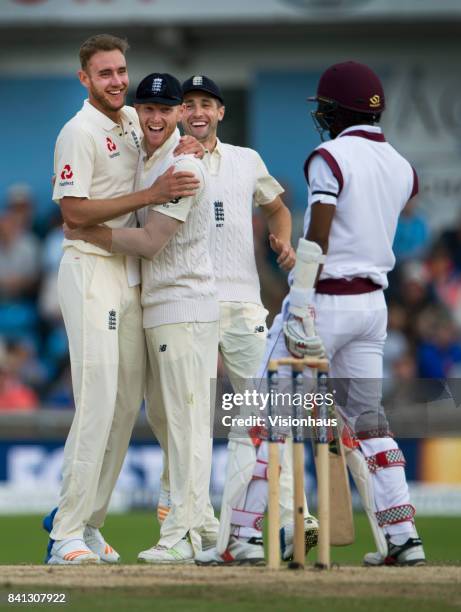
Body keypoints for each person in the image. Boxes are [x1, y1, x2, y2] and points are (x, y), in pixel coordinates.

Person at [44, 34, 202, 565]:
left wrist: (192, 145)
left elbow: (164, 138)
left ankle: (87, 523)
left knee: (121, 408)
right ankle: (63, 532)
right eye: (104, 73)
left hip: (130, 274)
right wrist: (151, 196)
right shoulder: (78, 131)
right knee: (96, 401)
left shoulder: (133, 122)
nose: (116, 81)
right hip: (90, 269)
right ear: (84, 78)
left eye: (120, 71)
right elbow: (73, 213)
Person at [157, 75, 319, 566]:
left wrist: (283, 240)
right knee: (191, 422)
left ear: (221, 112)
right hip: (190, 305)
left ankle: (294, 521)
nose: (197, 111)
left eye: (206, 103)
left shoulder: (247, 161)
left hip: (245, 304)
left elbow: (277, 206)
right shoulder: (168, 160)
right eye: (189, 104)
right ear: (180, 113)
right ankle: (198, 528)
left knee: (265, 417)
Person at [279, 61, 426, 566]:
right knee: (372, 424)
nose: (321, 115)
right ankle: (403, 536)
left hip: (326, 301)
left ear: (337, 109)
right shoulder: (403, 167)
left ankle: (251, 533)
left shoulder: (330, 155)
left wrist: (300, 300)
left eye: (324, 107)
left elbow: (317, 233)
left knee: (263, 407)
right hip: (373, 308)